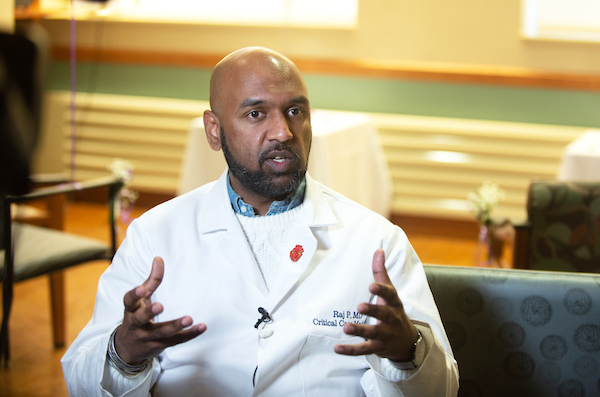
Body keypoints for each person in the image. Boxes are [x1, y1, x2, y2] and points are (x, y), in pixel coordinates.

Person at [61, 46, 459, 396]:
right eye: (256, 114)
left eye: (295, 111)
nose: (283, 132)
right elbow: (81, 382)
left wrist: (408, 352)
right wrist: (124, 353)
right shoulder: (154, 237)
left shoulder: (376, 241)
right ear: (214, 131)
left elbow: (442, 390)